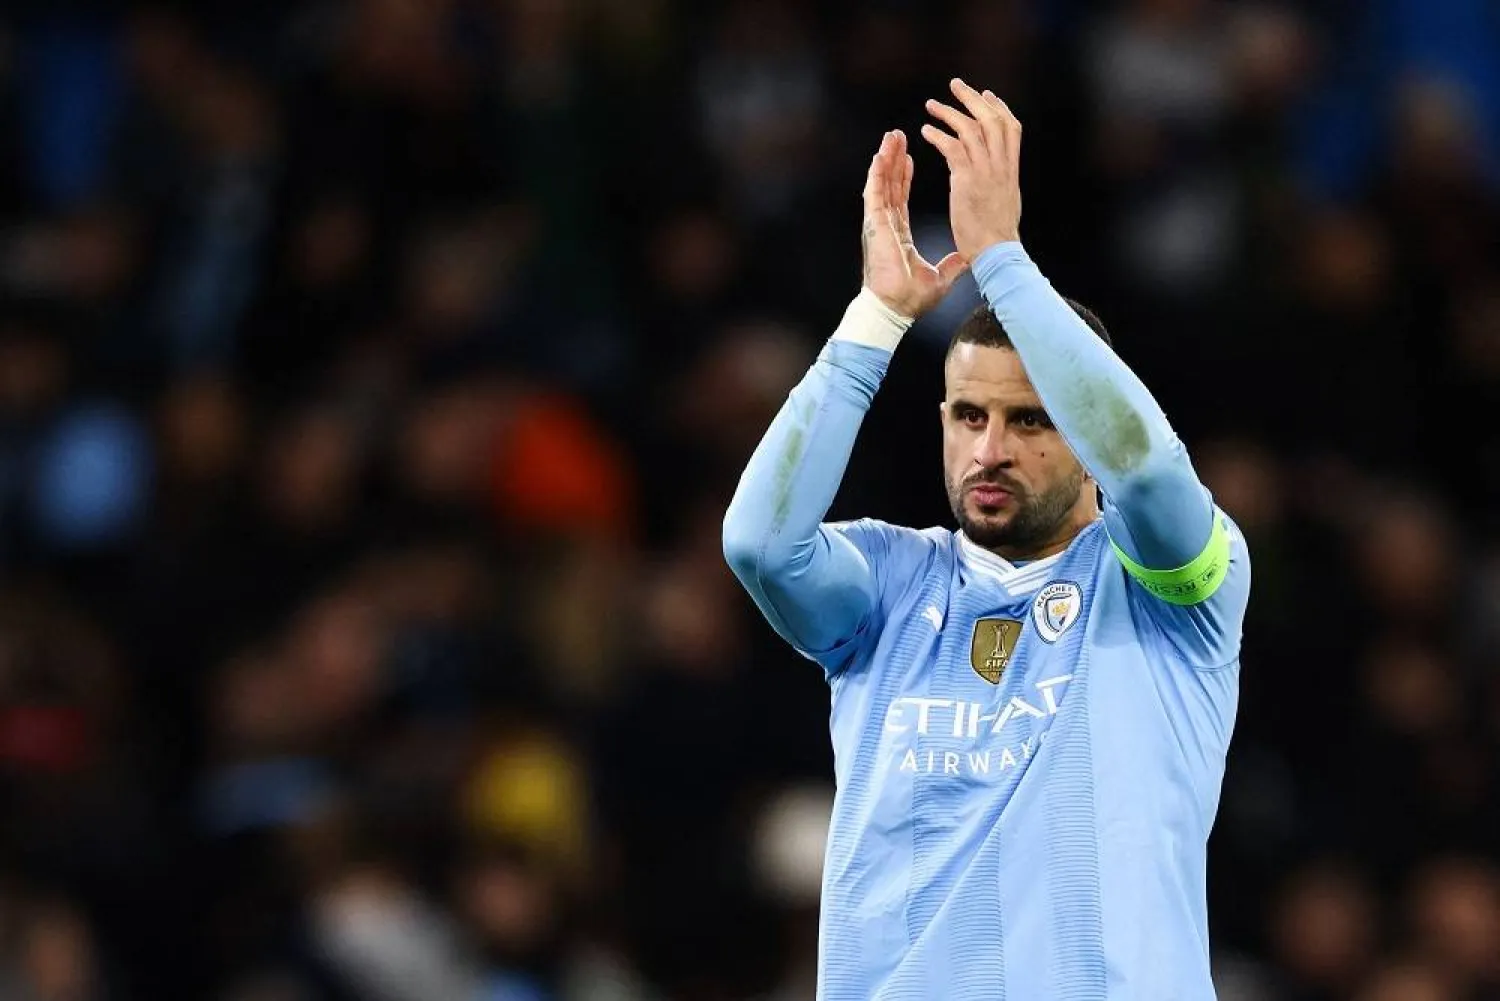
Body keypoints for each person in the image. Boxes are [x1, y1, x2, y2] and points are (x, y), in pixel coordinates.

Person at [722, 78, 1251, 999]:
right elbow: (761, 545)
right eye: (969, 416)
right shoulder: (887, 588)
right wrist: (878, 316)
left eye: (1031, 421)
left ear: (1084, 433)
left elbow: (1147, 471)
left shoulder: (1175, 589)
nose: (990, 450)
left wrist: (1001, 257)